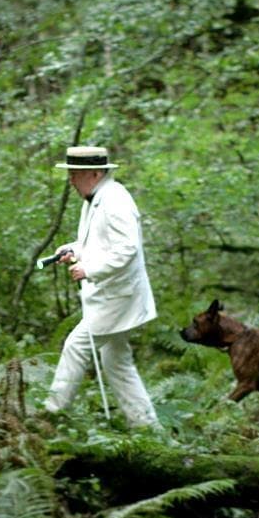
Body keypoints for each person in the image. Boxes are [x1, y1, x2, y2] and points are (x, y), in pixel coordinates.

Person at [42, 145, 158, 427]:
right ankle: (146, 426)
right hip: (112, 296)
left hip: (118, 297)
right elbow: (100, 244)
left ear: (94, 173)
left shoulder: (115, 200)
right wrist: (74, 250)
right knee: (116, 362)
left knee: (76, 346)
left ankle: (50, 415)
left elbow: (127, 248)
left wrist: (89, 269)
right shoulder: (95, 199)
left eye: (75, 174)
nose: (71, 180)